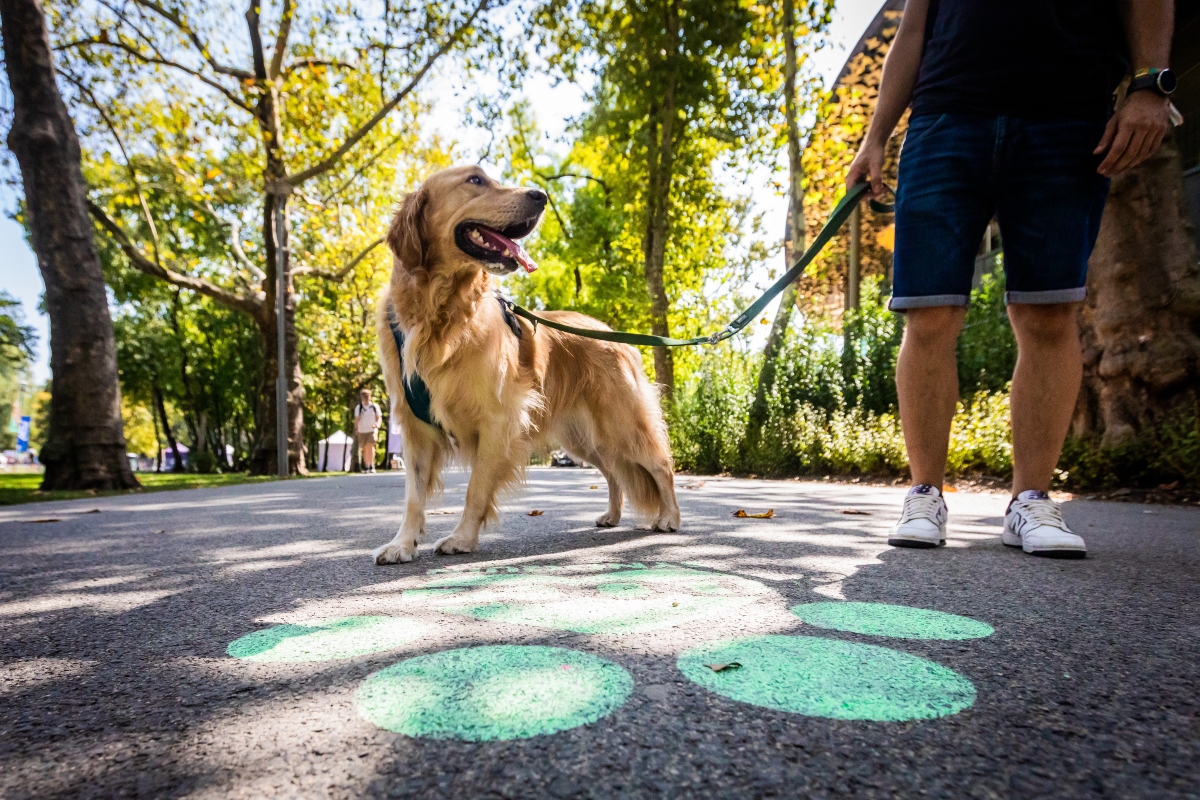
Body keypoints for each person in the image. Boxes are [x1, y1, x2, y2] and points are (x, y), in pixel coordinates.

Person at [846, 0, 1175, 557]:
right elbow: (913, 25)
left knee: (1048, 312)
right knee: (928, 313)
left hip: (1068, 116)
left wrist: (1151, 86)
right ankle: (925, 492)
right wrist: (875, 135)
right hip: (943, 116)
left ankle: (1030, 500)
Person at [353, 389, 382, 473]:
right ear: (361, 397)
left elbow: (379, 417)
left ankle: (371, 465)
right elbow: (356, 419)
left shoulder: (374, 406)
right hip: (362, 430)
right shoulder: (359, 407)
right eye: (364, 396)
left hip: (371, 430)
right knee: (365, 448)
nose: (365, 398)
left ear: (370, 396)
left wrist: (377, 425)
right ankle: (367, 465)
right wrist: (356, 428)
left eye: (367, 396)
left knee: (370, 446)